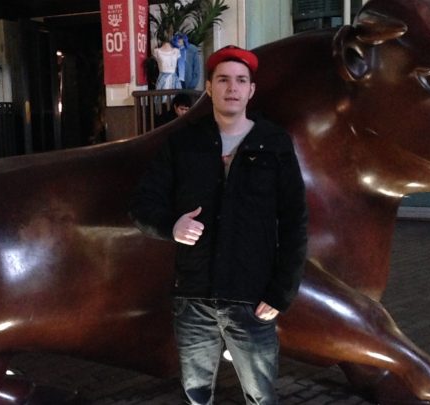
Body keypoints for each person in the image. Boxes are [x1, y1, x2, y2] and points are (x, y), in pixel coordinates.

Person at [130, 45, 308, 404]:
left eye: (241, 80)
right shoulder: (184, 142)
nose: (232, 87)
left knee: (261, 396)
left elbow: (295, 222)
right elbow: (142, 205)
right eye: (223, 79)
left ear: (251, 90)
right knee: (196, 395)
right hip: (193, 297)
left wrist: (281, 293)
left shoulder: (273, 143)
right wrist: (171, 226)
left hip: (253, 297)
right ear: (209, 88)